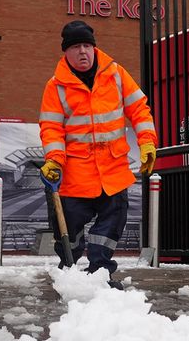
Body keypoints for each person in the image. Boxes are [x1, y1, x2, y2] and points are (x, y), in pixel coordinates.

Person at [38, 21, 157, 283]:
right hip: (75, 176)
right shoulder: (56, 86)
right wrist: (55, 161)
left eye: (88, 46)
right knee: (69, 231)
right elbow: (51, 128)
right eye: (77, 46)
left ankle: (100, 273)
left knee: (111, 225)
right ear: (65, 52)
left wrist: (147, 141)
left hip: (112, 171)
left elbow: (139, 109)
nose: (83, 52)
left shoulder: (115, 73)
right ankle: (69, 274)